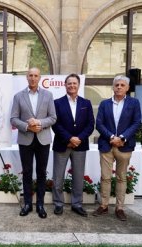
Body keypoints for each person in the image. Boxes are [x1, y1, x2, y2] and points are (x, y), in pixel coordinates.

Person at [10, 67, 57, 218]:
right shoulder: (18, 96)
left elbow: (53, 117)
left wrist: (39, 123)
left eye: (36, 75)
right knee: (27, 172)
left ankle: (41, 205)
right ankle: (28, 204)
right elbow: (13, 119)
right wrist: (28, 127)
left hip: (43, 139)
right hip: (25, 139)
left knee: (41, 173)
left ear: (39, 78)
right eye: (30, 75)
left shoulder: (48, 95)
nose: (33, 78)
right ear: (26, 77)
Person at [94, 75, 141, 221]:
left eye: (122, 85)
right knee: (105, 177)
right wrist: (111, 137)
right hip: (106, 145)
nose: (119, 87)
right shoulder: (104, 104)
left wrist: (122, 138)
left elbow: (136, 122)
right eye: (117, 85)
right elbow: (99, 123)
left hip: (124, 146)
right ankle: (104, 205)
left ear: (127, 88)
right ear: (113, 87)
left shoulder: (134, 103)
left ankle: (120, 208)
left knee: (121, 178)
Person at [52, 73, 94, 217]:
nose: (72, 86)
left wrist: (79, 138)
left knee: (78, 176)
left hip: (80, 146)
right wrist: (69, 138)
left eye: (74, 83)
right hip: (62, 144)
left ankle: (77, 204)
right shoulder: (57, 103)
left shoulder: (86, 103)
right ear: (65, 85)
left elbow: (90, 125)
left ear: (78, 85)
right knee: (58, 177)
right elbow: (55, 124)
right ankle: (58, 204)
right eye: (69, 83)